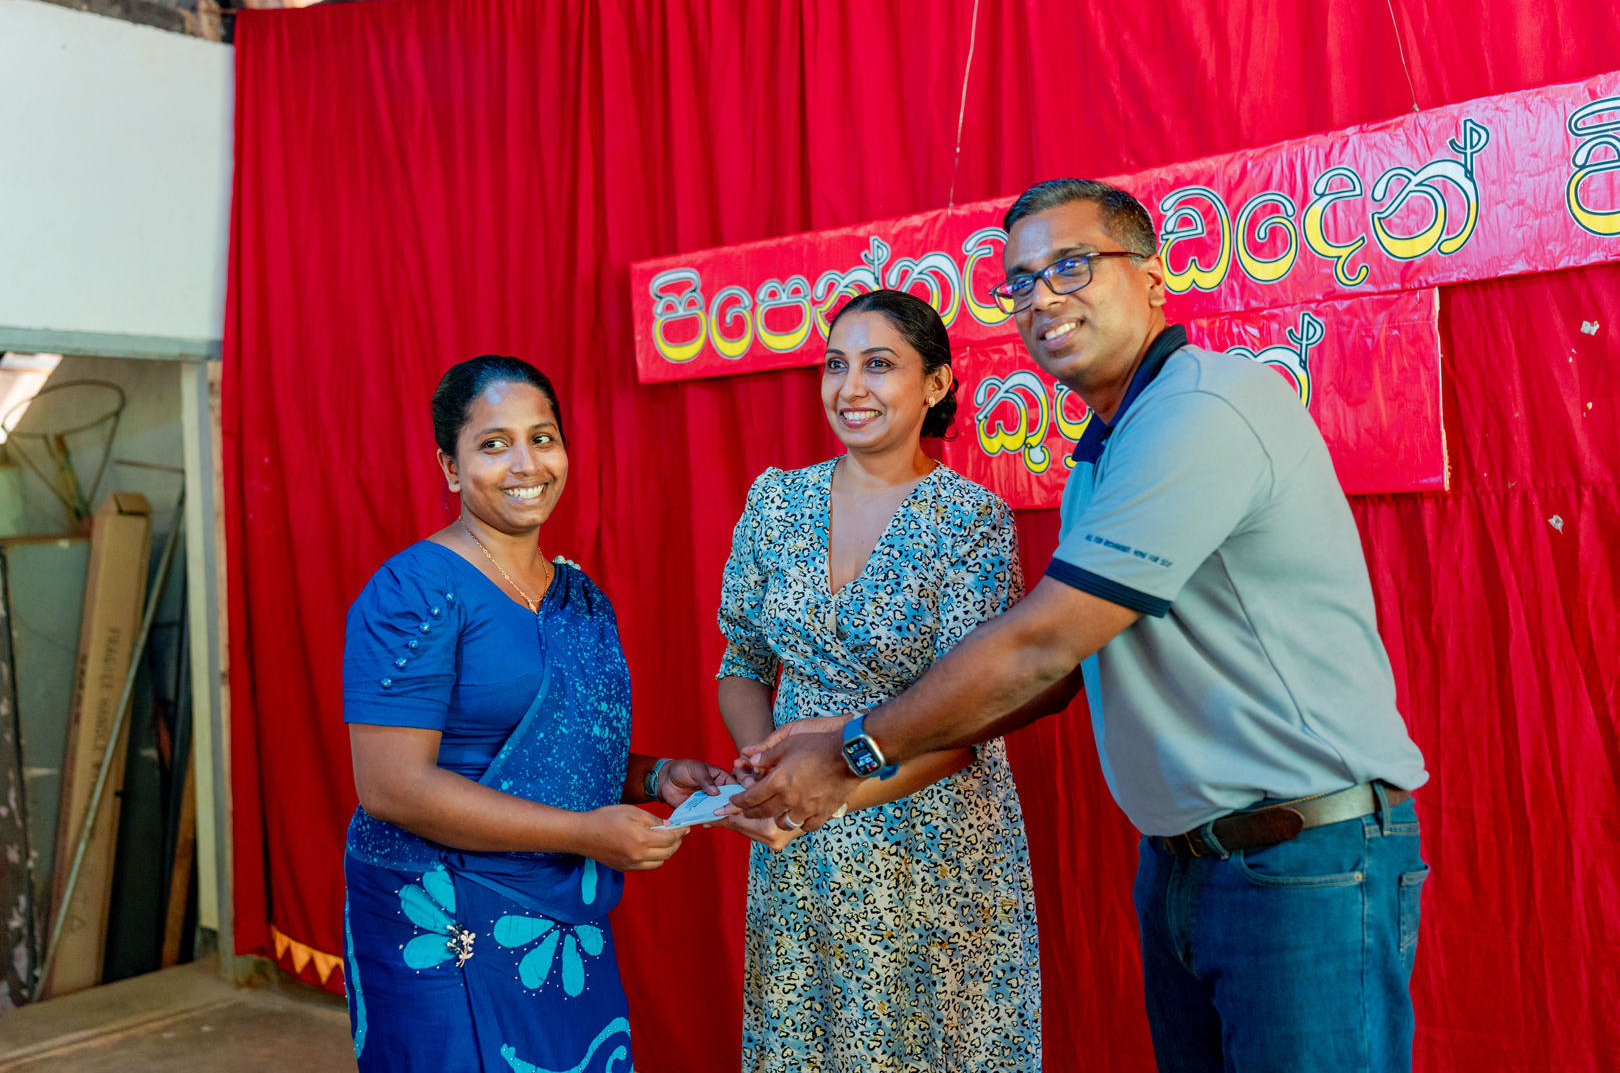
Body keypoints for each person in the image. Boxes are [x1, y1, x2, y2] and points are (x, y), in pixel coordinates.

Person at [735, 180, 1431, 1073]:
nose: (1043, 297)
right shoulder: (1105, 456)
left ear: (1152, 277)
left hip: (1302, 863)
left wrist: (853, 750)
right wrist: (837, 733)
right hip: (1189, 865)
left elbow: (1043, 643)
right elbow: (1064, 675)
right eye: (1020, 282)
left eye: (1071, 266)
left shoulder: (1201, 409)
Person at [341, 355, 731, 1072]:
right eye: (494, 444)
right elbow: (391, 788)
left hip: (562, 930)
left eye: (542, 438)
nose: (526, 463)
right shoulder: (414, 590)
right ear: (451, 467)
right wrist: (584, 832)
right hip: (442, 916)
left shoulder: (578, 596)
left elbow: (561, 756)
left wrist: (657, 777)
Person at [712, 289, 1050, 1072]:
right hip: (798, 837)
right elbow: (743, 661)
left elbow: (973, 715)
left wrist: (830, 788)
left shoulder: (970, 521)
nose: (850, 387)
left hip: (930, 834)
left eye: (879, 365)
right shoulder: (776, 502)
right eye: (836, 365)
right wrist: (767, 771)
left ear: (935, 384)